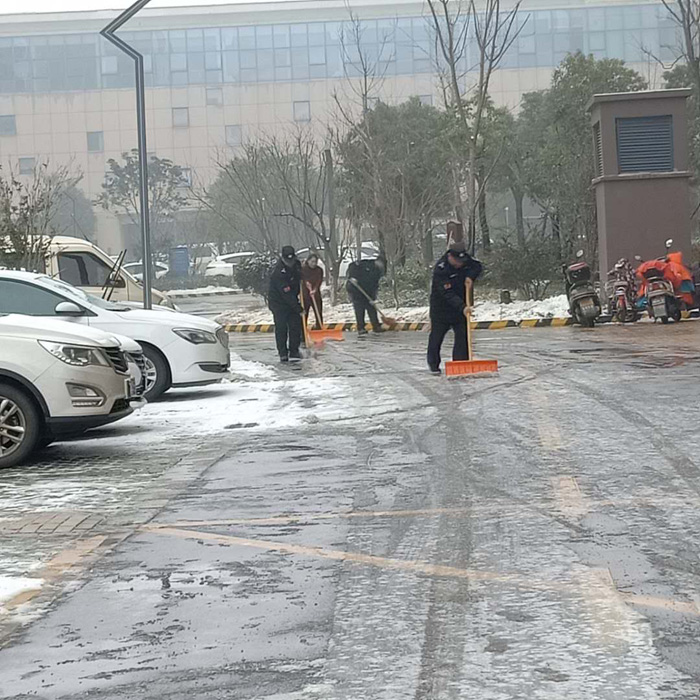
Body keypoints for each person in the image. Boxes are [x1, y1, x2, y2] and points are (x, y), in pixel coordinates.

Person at [427, 242, 483, 374]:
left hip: (460, 309)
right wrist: (462, 307)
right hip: (441, 309)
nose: (460, 264)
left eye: (462, 261)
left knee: (463, 337)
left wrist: (470, 276)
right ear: (450, 257)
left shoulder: (465, 261)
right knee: (436, 337)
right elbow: (447, 293)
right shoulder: (441, 269)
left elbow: (478, 266)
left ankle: (460, 364)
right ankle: (434, 365)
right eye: (457, 261)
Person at [268, 246, 303, 362]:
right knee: (281, 328)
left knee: (295, 327)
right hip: (278, 303)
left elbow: (300, 276)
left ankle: (294, 350)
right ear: (283, 258)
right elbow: (286, 293)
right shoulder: (279, 272)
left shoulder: (296, 265)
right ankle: (283, 352)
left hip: (292, 300)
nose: (290, 262)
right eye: (288, 260)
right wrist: (298, 308)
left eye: (292, 259)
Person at [347, 256, 386, 335]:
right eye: (381, 264)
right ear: (377, 261)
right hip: (356, 290)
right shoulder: (365, 264)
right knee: (359, 309)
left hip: (368, 291)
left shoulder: (378, 271)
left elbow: (375, 284)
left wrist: (373, 297)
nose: (381, 266)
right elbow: (352, 266)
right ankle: (361, 328)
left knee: (372, 308)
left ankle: (376, 326)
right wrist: (353, 276)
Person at [301, 254, 324, 329]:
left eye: (315, 262)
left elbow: (319, 281)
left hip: (316, 295)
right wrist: (306, 282)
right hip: (305, 295)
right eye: (312, 261)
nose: (314, 263)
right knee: (304, 313)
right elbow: (302, 279)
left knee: (318, 312)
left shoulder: (319, 270)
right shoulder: (303, 270)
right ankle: (303, 329)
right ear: (308, 261)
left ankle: (319, 327)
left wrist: (315, 289)